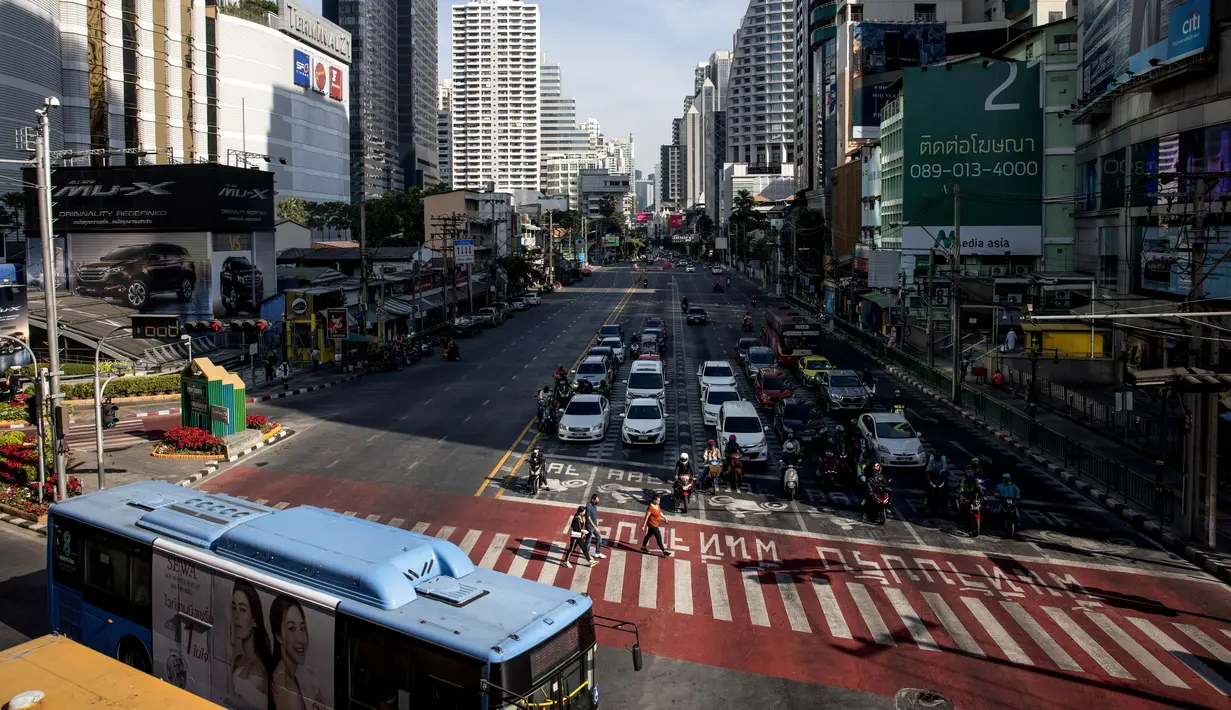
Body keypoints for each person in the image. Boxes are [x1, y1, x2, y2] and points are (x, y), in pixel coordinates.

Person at [269, 595, 324, 710]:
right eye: (292, 629)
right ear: (279, 637)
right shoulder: (287, 687)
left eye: (303, 628)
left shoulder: (287, 677)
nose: (301, 639)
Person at [226, 580, 271, 707]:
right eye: (234, 608)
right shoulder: (239, 660)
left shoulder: (256, 672)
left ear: (254, 621)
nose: (236, 616)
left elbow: (231, 702)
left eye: (243, 610)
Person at [585, 494, 606, 558]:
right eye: (596, 500)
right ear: (592, 500)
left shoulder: (594, 505)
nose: (597, 502)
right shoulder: (588, 507)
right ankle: (587, 554)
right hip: (590, 527)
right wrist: (595, 527)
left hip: (595, 526)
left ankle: (597, 552)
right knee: (588, 541)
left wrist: (596, 526)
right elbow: (589, 518)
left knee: (599, 538)